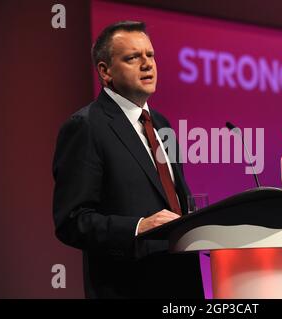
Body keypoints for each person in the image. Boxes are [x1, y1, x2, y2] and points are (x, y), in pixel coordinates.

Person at [52, 21, 204, 298]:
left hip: (182, 283)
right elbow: (72, 221)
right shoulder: (86, 127)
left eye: (150, 55)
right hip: (129, 287)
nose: (147, 64)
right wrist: (137, 227)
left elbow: (173, 200)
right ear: (105, 71)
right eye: (133, 57)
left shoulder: (161, 124)